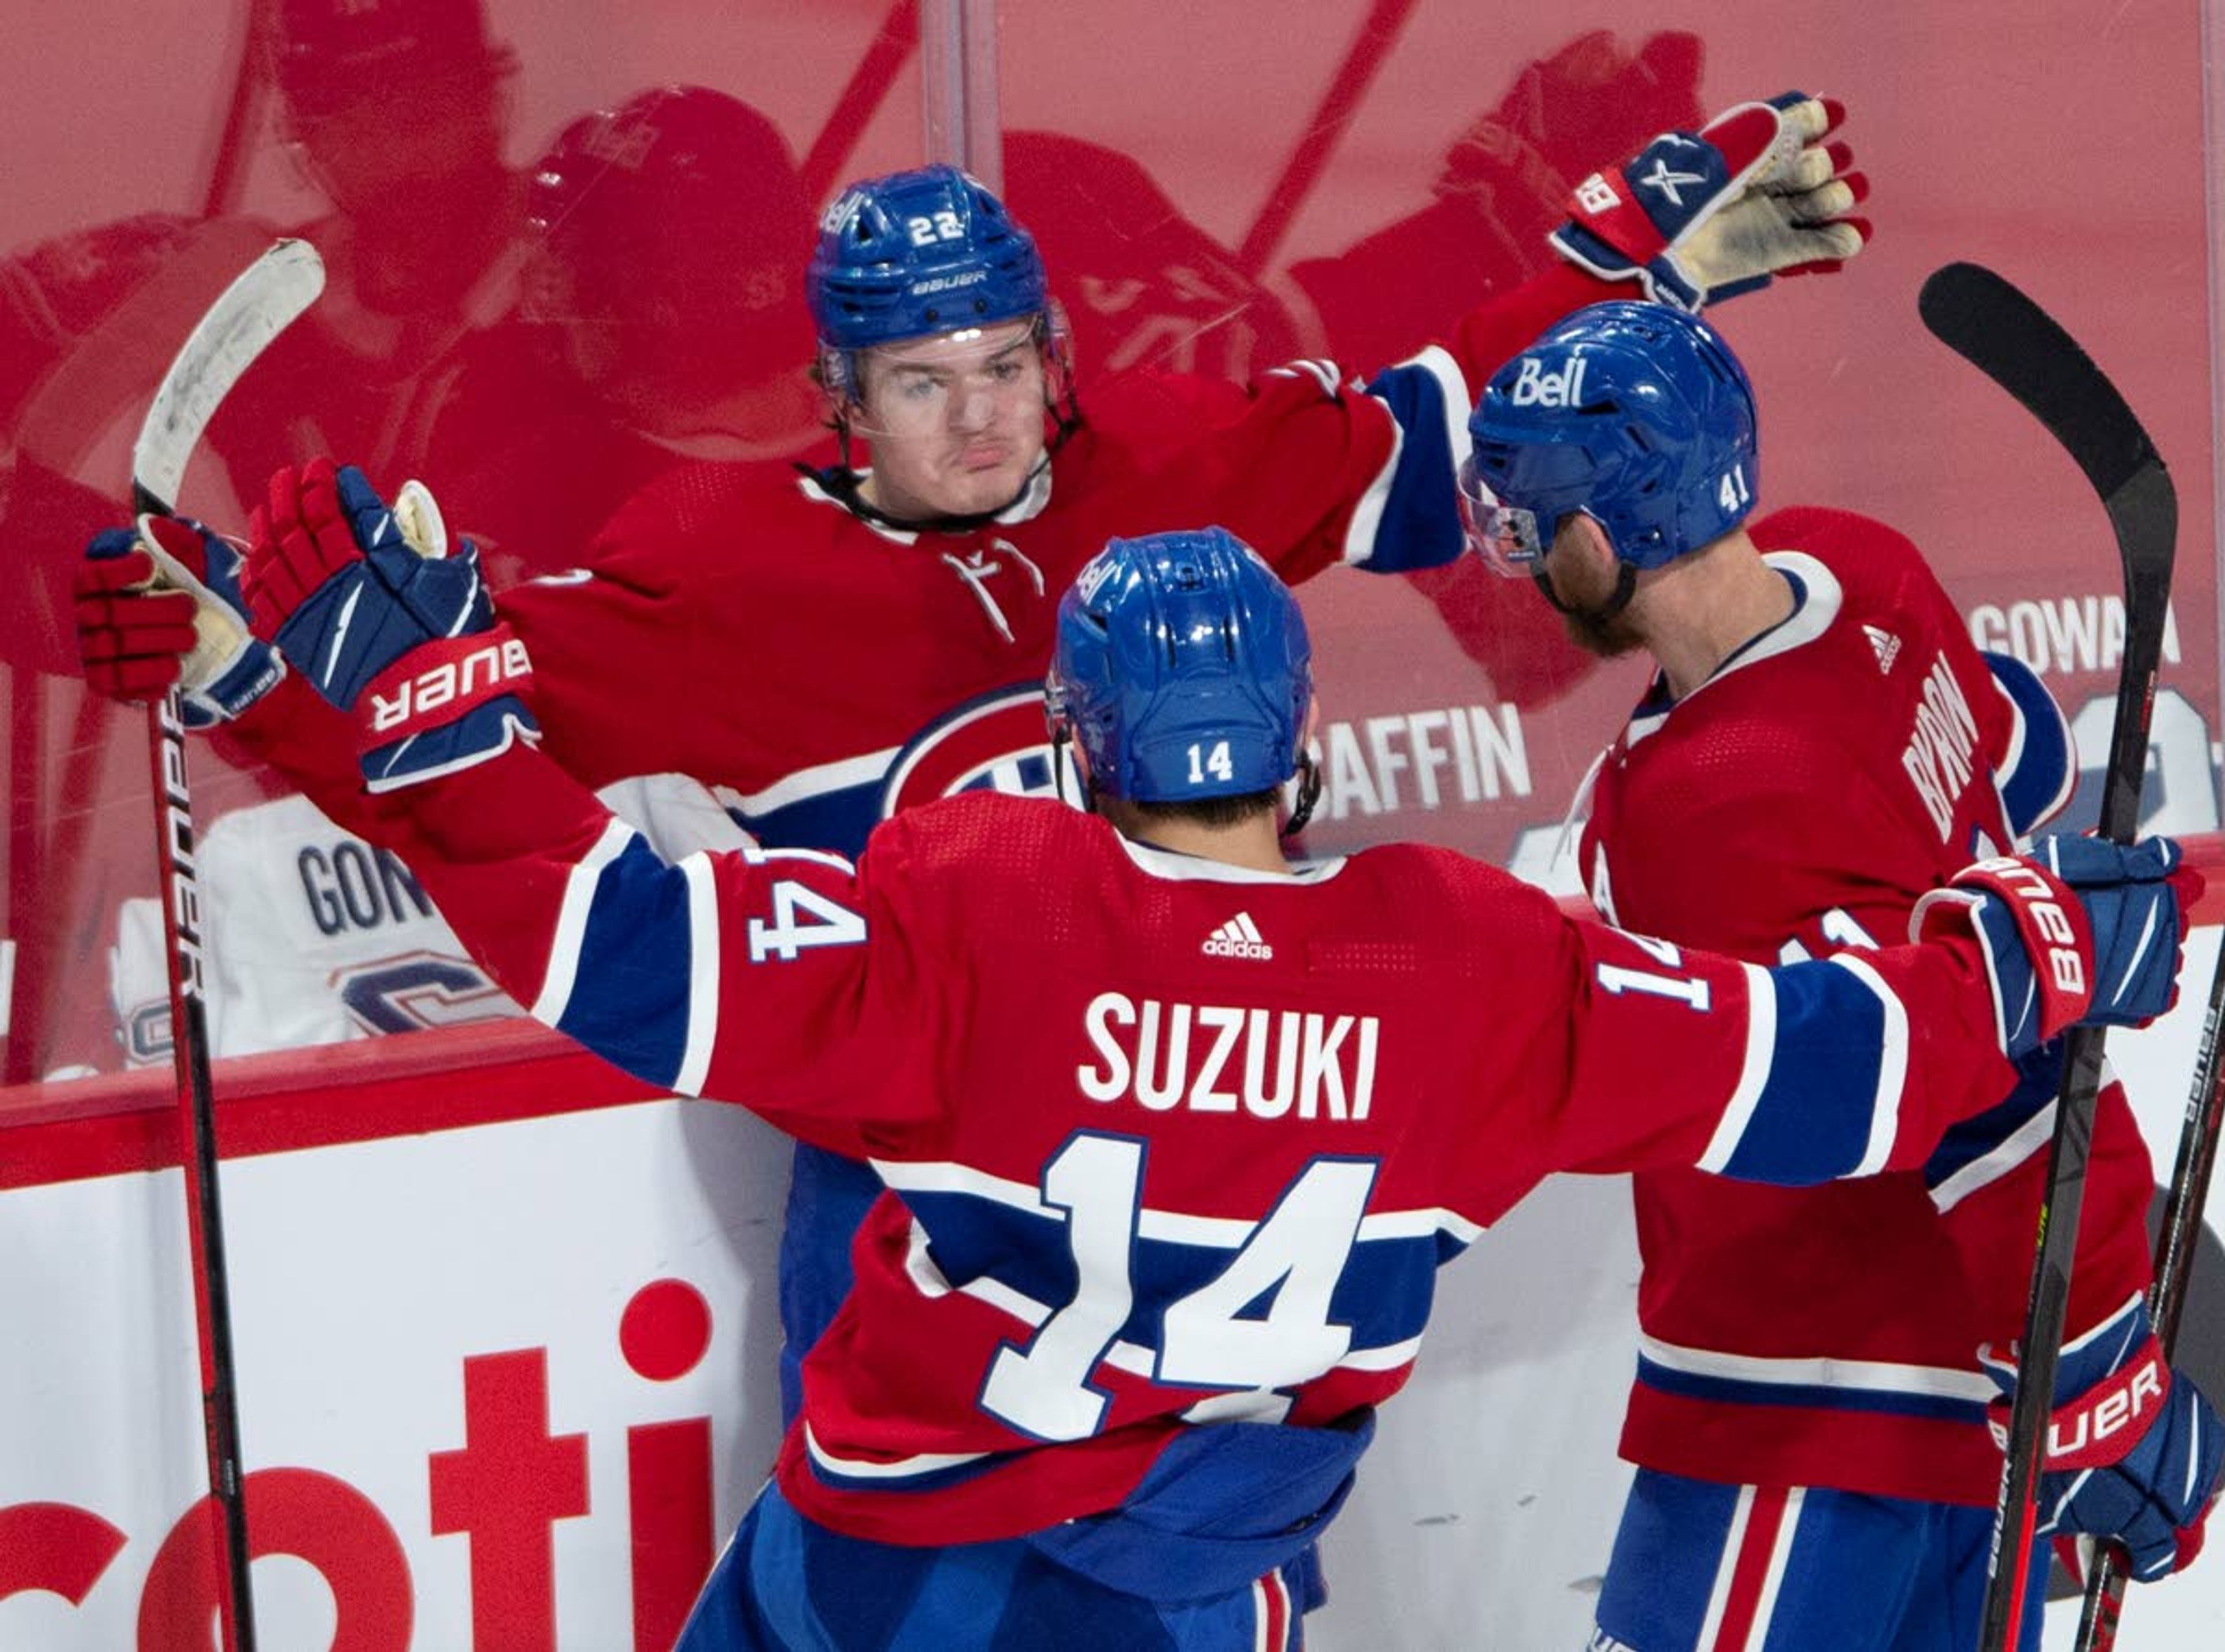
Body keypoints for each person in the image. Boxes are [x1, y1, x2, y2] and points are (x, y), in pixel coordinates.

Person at [76, 87, 1866, 1500]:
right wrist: (240, 664)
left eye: (1009, 365)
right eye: (923, 385)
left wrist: (1616, 278)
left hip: (1223, 1139)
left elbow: (1434, 428)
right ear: (834, 398)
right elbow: (433, 732)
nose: (984, 421)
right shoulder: (719, 579)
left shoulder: (1163, 463)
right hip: (919, 1202)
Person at [214, 462, 2195, 1649]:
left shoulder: (975, 906)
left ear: (1083, 749)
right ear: (1304, 740)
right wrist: (2035, 949)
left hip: (894, 1576)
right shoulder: (1465, 969)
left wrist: (445, 740)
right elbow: (1818, 1065)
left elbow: (609, 942)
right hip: (1194, 1603)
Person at [1458, 300, 2223, 1649]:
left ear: (1605, 531)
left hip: (1804, 1405)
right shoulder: (1849, 562)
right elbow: (2009, 751)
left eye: (1532, 523)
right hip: (1960, 1402)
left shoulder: (1723, 803)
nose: (1517, 557)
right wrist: (2084, 1382)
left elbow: (1978, 1104)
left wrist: (2099, 1392)